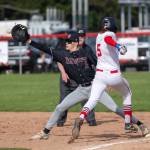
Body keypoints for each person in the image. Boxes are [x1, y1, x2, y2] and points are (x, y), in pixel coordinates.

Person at [10, 24, 149, 141]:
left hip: (96, 87)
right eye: (66, 41)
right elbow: (45, 49)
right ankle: (45, 132)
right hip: (81, 90)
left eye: (69, 42)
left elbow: (99, 64)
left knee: (116, 109)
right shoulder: (62, 54)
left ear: (76, 42)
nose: (66, 43)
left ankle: (140, 124)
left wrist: (108, 81)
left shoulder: (86, 52)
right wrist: (29, 41)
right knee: (60, 107)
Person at [71, 17, 150, 140]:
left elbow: (105, 40)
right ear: (112, 25)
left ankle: (81, 118)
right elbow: (108, 39)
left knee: (93, 99)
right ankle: (128, 123)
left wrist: (116, 46)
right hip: (113, 74)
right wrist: (118, 46)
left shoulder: (98, 36)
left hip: (100, 75)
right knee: (127, 93)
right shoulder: (110, 34)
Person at [56, 29, 96, 127]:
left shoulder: (87, 49)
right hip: (67, 78)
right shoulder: (67, 46)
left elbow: (94, 64)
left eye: (83, 36)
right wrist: (63, 73)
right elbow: (59, 60)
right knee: (64, 100)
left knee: (86, 99)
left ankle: (91, 120)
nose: (81, 38)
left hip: (82, 79)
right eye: (79, 37)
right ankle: (60, 121)